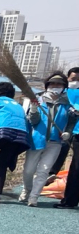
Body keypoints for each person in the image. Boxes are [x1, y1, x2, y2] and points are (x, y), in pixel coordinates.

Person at [18, 72, 76, 207]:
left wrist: (68, 133)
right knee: (28, 170)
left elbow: (72, 122)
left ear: (64, 87)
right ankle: (27, 189)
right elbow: (33, 121)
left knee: (43, 170)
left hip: (55, 142)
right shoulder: (38, 100)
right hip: (36, 140)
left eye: (59, 84)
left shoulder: (68, 103)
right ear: (47, 86)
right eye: (53, 84)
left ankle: (33, 197)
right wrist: (33, 109)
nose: (56, 86)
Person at [51, 66, 79, 209]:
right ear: (68, 79)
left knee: (76, 167)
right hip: (66, 133)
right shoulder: (63, 93)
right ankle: (69, 200)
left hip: (75, 132)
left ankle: (70, 200)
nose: (76, 82)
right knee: (74, 168)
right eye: (73, 79)